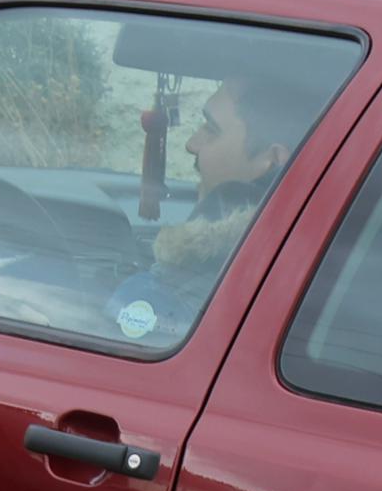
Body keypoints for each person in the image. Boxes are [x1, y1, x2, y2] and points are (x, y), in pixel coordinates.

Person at [99, 68, 334, 343]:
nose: (191, 144)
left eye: (211, 130)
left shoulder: (163, 300)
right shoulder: (322, 263)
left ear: (272, 160)